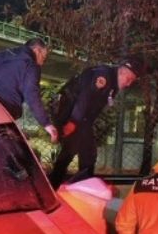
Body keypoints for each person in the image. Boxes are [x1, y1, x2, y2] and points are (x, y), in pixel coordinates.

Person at [48, 55, 145, 187]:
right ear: (121, 71)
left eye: (131, 81)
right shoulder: (103, 76)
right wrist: (72, 123)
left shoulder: (113, 82)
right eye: (128, 79)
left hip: (82, 120)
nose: (128, 84)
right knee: (80, 154)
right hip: (73, 116)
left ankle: (65, 186)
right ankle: (68, 187)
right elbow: (84, 98)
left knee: (80, 154)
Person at [0, 37, 58, 144]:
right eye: (44, 57)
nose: (42, 63)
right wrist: (46, 123)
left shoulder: (4, 54)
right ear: (37, 50)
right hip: (3, 112)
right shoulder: (31, 66)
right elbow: (31, 95)